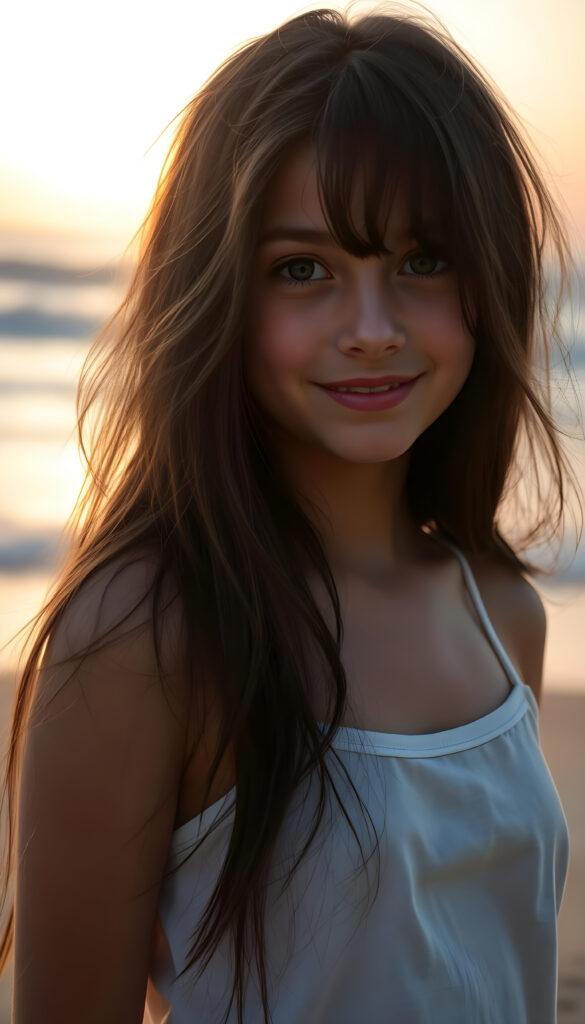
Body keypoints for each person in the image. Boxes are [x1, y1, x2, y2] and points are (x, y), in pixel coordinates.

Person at [1, 5, 579, 1022]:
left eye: (423, 261)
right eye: (302, 269)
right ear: (218, 289)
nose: (371, 329)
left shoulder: (501, 614)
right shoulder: (149, 631)